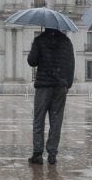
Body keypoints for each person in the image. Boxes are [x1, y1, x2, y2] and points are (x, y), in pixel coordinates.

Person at [26, 28, 75, 165]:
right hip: (60, 86)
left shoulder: (39, 40)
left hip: (43, 85)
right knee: (56, 120)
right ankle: (52, 153)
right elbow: (71, 64)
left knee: (38, 120)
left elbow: (31, 61)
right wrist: (68, 84)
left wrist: (36, 47)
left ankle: (37, 153)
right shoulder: (66, 41)